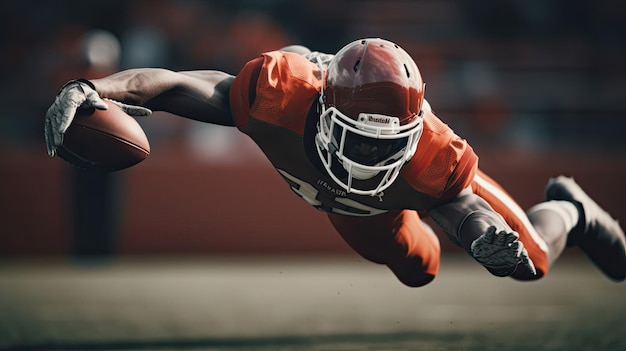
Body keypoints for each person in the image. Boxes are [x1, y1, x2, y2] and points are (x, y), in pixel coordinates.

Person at [44, 38, 626, 286]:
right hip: (353, 211)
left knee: (529, 264)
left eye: (383, 142)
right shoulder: (277, 95)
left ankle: (569, 211)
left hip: (390, 197)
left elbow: (458, 204)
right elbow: (171, 84)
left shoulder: (432, 153)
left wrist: (481, 238)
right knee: (417, 269)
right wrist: (93, 86)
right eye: (357, 136)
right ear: (321, 113)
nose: (368, 153)